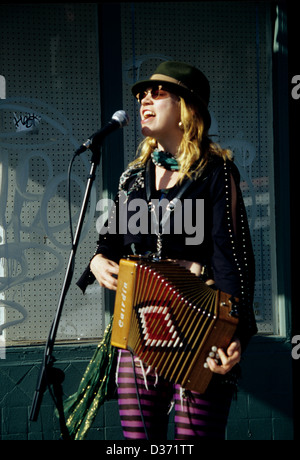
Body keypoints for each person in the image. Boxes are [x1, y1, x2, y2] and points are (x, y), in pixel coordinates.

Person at [78, 61, 257, 440]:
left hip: (200, 328)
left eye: (158, 93)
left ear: (187, 107)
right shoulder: (133, 177)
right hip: (138, 328)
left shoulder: (216, 173)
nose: (144, 99)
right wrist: (96, 261)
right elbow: (108, 242)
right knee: (137, 440)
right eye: (142, 94)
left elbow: (234, 260)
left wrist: (235, 334)